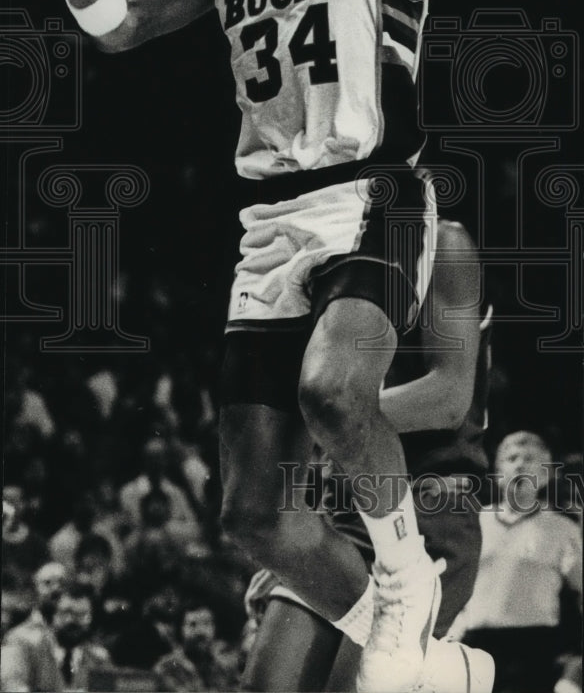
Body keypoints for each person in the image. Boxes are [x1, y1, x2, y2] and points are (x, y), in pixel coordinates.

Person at [12, 0, 465, 688]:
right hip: (269, 220)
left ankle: (405, 580)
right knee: (250, 512)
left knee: (332, 391)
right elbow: (115, 24)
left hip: (370, 192)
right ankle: (427, 662)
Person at [242, 221, 495, 693]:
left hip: (428, 508)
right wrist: (291, 546)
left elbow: (449, 397)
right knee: (265, 685)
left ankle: (442, 670)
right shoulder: (321, 247)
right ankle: (442, 672)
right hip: (342, 510)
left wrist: (328, 421)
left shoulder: (444, 243)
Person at [451, 431, 583, 693]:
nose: (520, 464)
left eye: (530, 459)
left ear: (545, 474)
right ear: (498, 473)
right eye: (511, 458)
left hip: (535, 648)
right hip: (475, 643)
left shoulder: (563, 529)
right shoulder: (474, 522)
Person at [1, 581, 110, 692]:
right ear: (52, 615)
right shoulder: (23, 645)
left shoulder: (99, 659)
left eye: (82, 615)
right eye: (66, 612)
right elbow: (11, 687)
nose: (72, 621)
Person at [153, 603, 238, 692]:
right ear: (181, 629)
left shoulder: (225, 668)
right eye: (192, 625)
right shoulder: (168, 668)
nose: (200, 631)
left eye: (206, 624)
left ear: (214, 628)